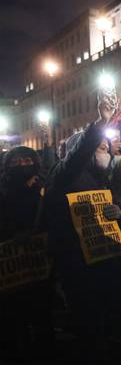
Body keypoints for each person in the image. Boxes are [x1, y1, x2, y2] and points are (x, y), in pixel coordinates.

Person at [43, 94, 121, 360]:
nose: (106, 151)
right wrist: (101, 121)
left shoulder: (100, 177)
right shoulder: (67, 173)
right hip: (75, 257)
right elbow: (79, 154)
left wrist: (117, 211)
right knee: (87, 311)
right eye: (99, 148)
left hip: (99, 255)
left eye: (106, 148)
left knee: (103, 308)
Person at [0, 146, 54, 362]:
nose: (21, 165)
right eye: (16, 161)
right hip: (10, 263)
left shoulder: (45, 188)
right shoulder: (3, 190)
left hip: (40, 260)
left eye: (26, 160)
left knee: (42, 311)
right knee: (12, 315)